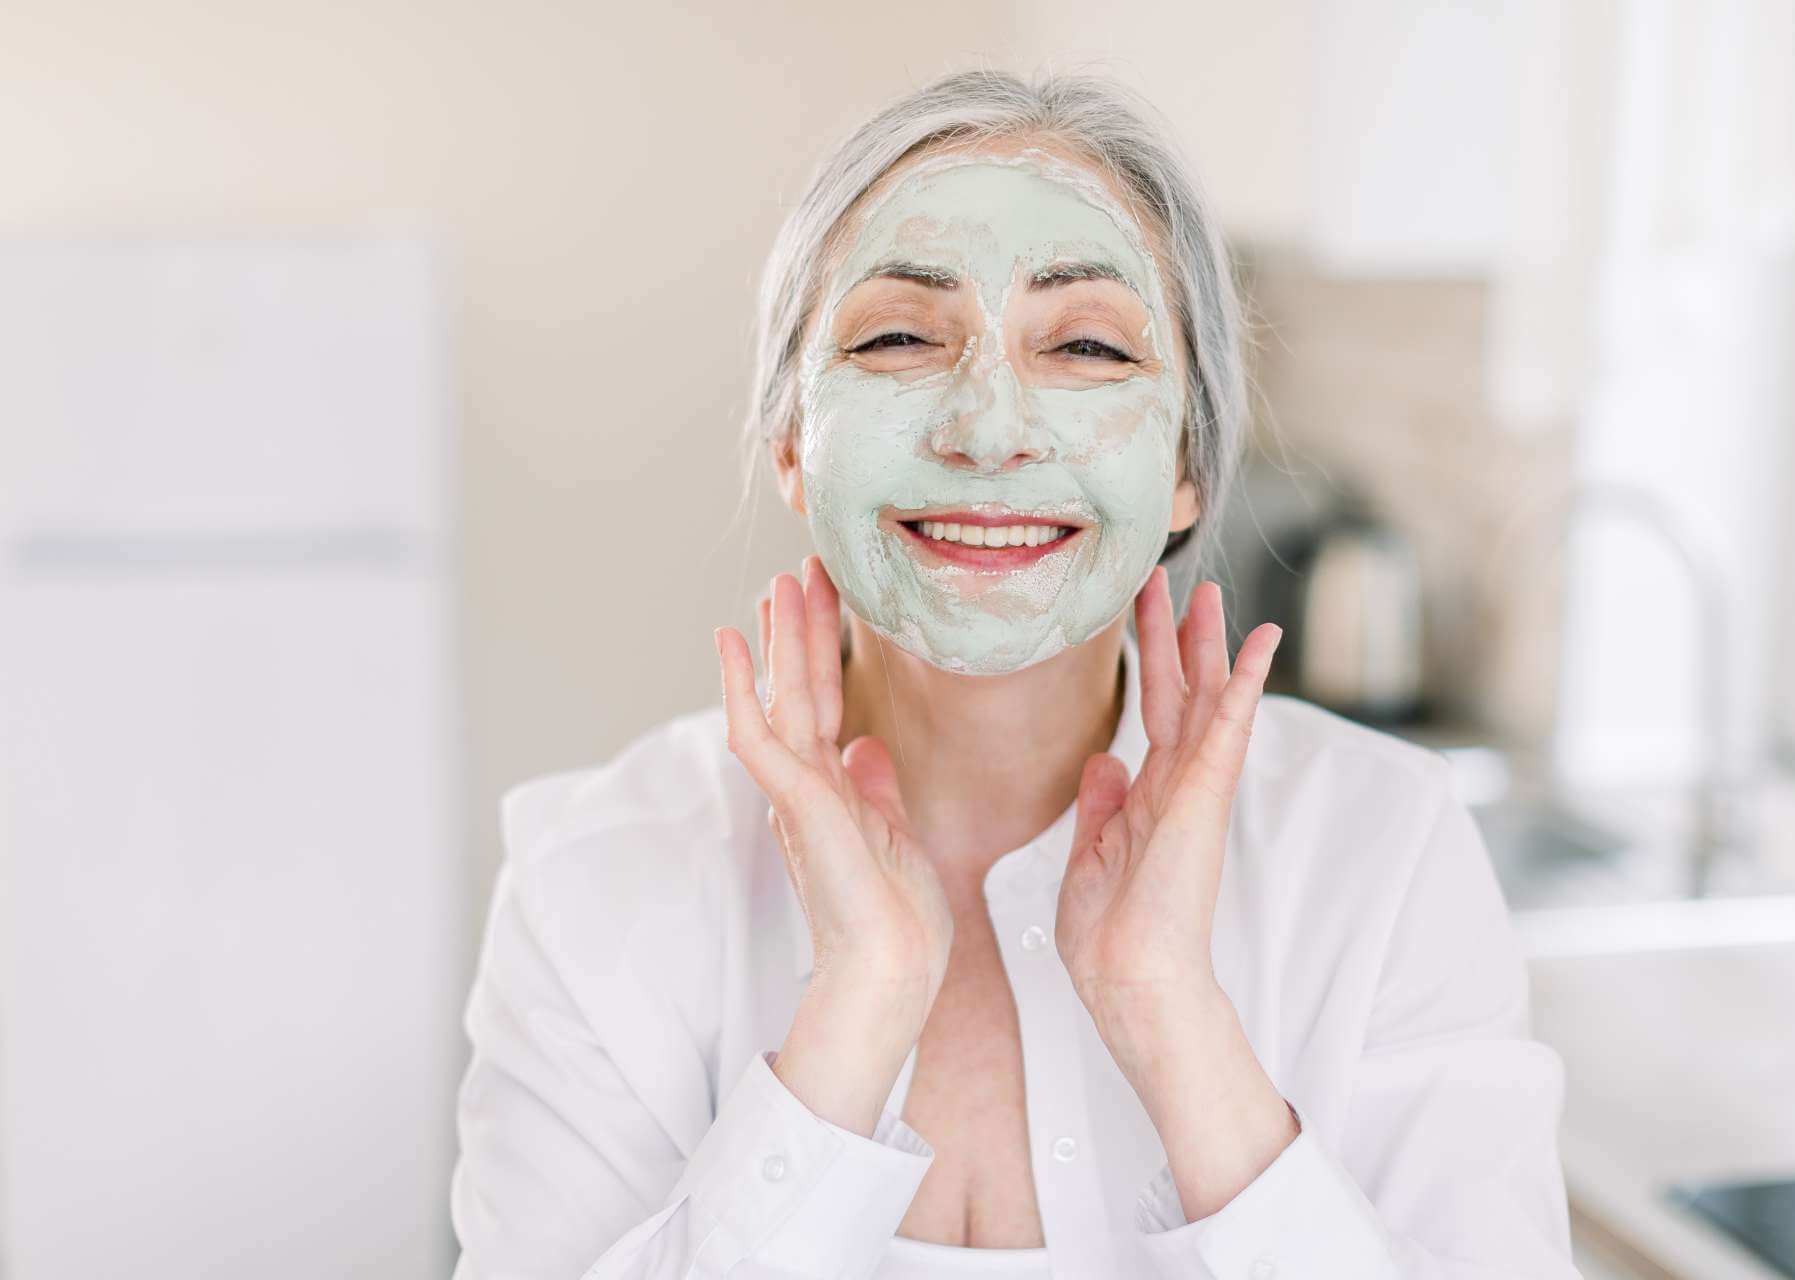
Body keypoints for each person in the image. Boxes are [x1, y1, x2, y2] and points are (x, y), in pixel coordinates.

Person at [450, 69, 1579, 1280]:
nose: (989, 429)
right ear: (790, 440)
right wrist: (857, 1010)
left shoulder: (1381, 852)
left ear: (1193, 462)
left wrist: (1170, 1014)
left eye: (1086, 345)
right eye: (895, 337)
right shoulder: (597, 882)